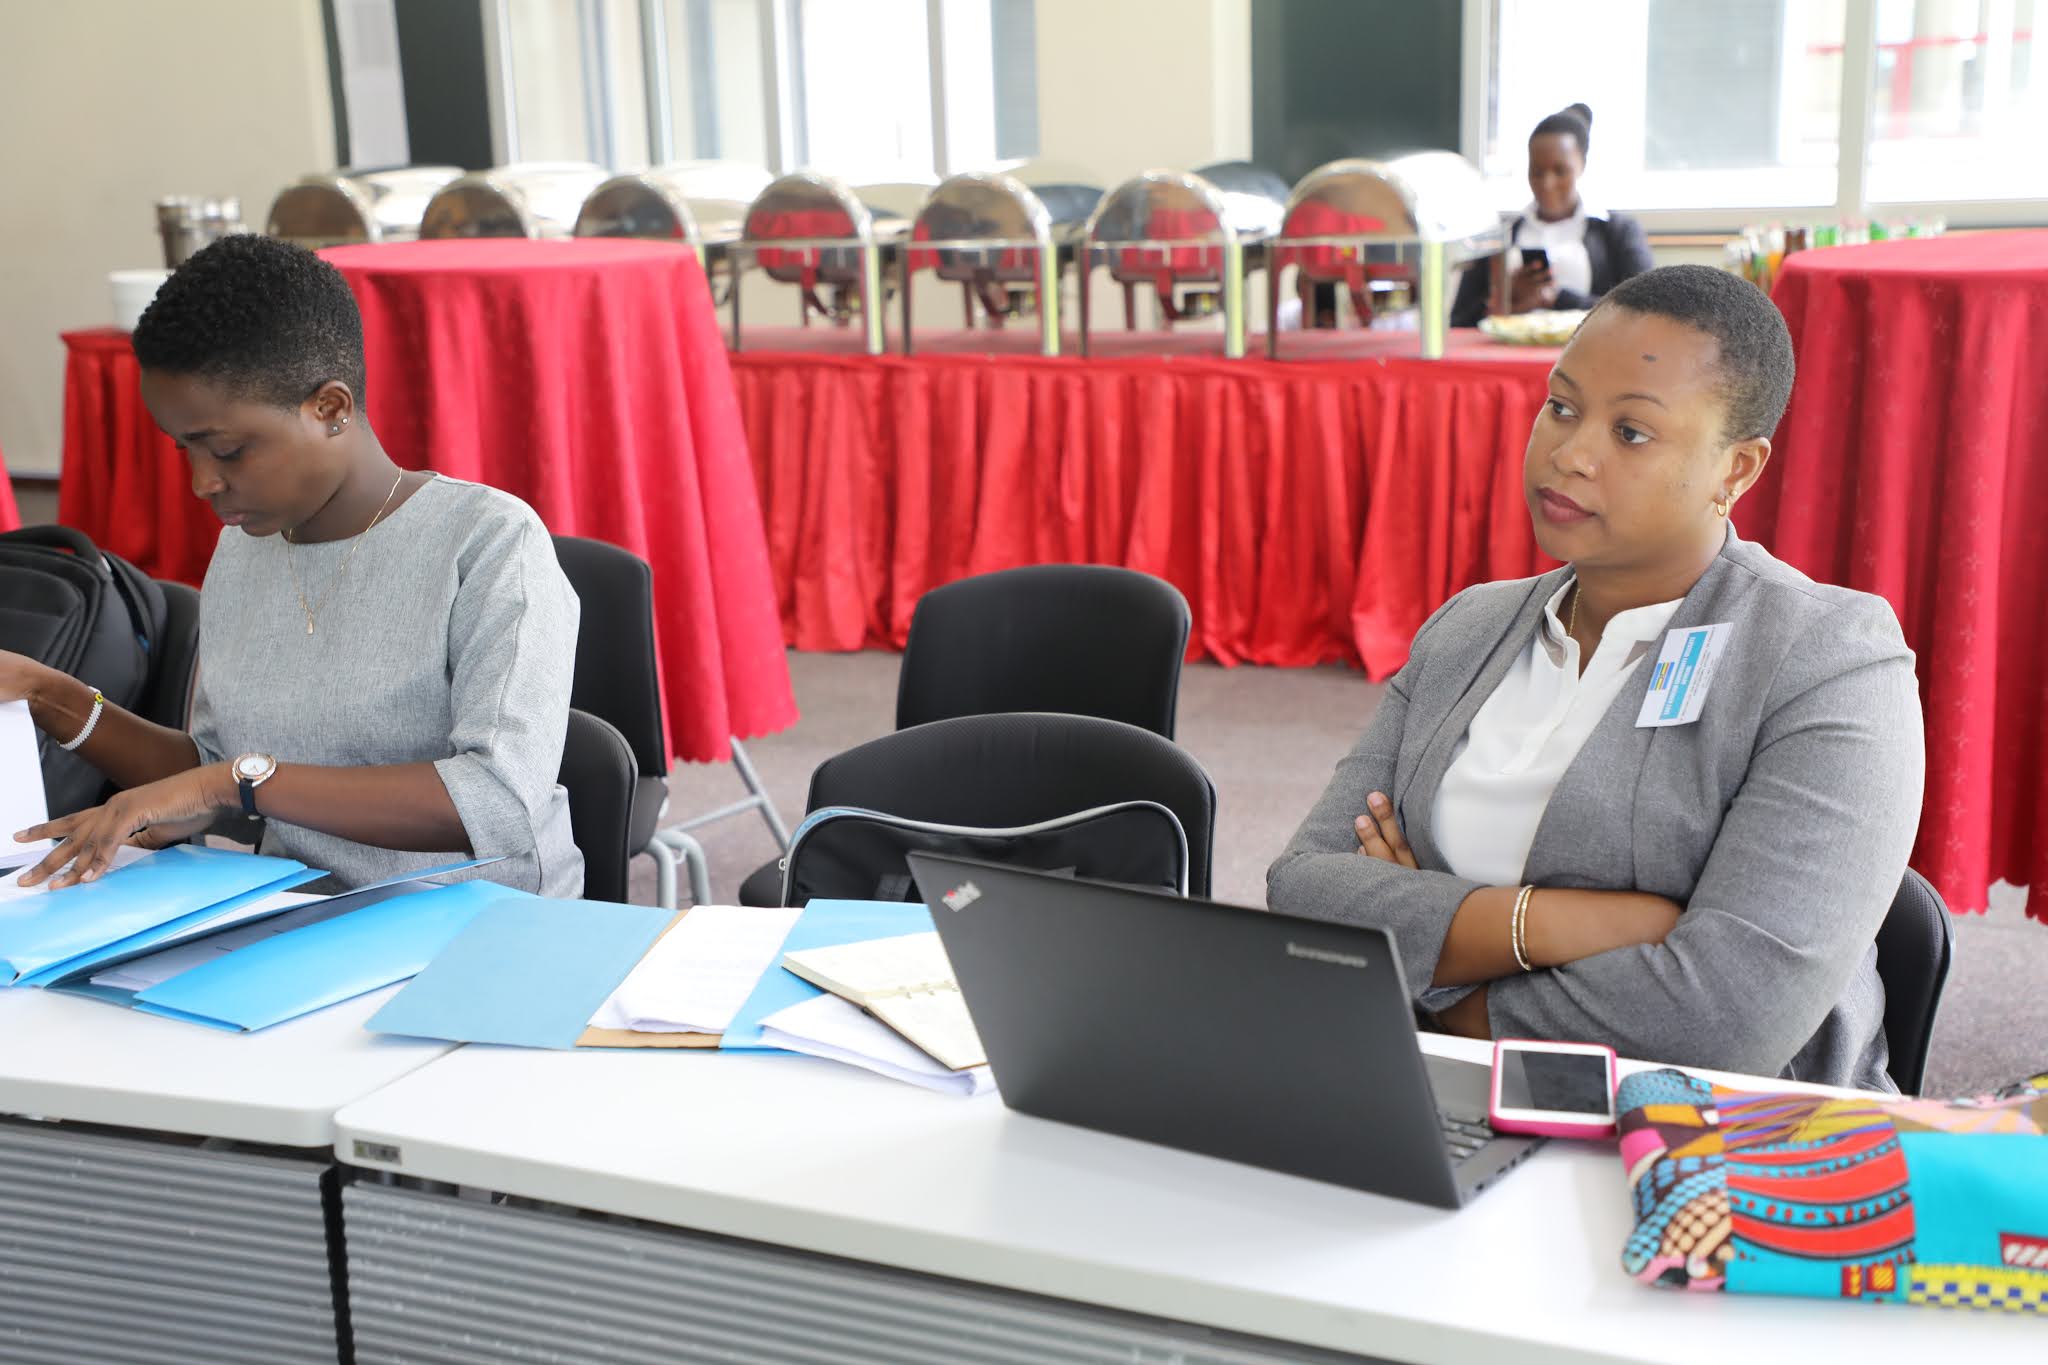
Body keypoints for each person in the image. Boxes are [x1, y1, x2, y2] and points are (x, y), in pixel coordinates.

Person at [1268, 265, 1923, 1092]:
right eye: (1562, 406)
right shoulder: (1467, 628)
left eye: (1632, 432)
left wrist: (1436, 985)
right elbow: (1302, 891)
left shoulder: (1829, 660)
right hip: (1425, 1098)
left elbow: (1722, 1023)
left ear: (1737, 469)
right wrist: (1554, 923)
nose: (1569, 454)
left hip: (1710, 1136)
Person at [3, 234, 584, 896]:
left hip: (483, 915)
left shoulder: (489, 542)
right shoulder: (245, 547)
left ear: (329, 408)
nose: (202, 482)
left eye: (228, 450)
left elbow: (498, 801)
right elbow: (216, 774)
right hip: (299, 907)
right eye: (185, 449)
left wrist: (231, 783)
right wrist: (49, 695)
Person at [1451, 104, 1654, 327]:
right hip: (1511, 349)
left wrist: (1558, 298)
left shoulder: (1619, 232)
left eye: (1560, 171)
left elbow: (1645, 312)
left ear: (1582, 165)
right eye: (1537, 172)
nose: (1547, 184)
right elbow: (1459, 320)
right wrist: (1507, 296)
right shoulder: (1499, 236)